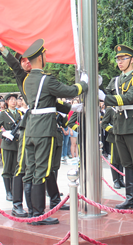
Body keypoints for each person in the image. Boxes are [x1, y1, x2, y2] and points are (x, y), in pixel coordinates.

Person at [19, 39, 87, 225]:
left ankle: (32, 213)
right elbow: (70, 90)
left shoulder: (27, 80)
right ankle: (39, 215)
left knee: (30, 171)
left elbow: (48, 102)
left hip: (31, 129)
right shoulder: (46, 79)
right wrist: (84, 83)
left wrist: (70, 108)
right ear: (40, 58)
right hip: (44, 130)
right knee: (41, 171)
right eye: (45, 55)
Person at [100, 44, 133, 210]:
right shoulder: (115, 80)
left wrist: (104, 97)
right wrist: (98, 85)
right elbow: (106, 94)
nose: (119, 62)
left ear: (132, 60)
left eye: (123, 58)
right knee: (126, 163)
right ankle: (129, 198)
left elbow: (129, 98)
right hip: (119, 124)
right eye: (118, 59)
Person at [0, 93, 25, 214]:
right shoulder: (3, 114)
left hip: (18, 143)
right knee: (7, 168)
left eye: (15, 99)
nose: (13, 101)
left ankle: (15, 191)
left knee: (17, 168)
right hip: (8, 144)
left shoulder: (20, 113)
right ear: (6, 102)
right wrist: (4, 134)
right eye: (11, 100)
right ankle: (8, 192)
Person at [101, 102, 125, 189]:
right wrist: (112, 130)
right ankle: (115, 180)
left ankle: (121, 179)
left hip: (123, 137)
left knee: (122, 159)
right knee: (114, 159)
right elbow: (104, 123)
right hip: (114, 138)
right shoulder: (110, 110)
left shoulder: (123, 109)